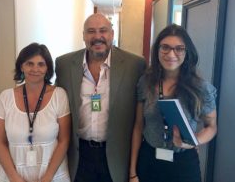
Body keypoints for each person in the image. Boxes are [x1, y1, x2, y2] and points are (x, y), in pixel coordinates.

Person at [55, 13, 147, 182]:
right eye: (91, 31)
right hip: (78, 155)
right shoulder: (64, 65)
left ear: (112, 34)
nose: (97, 37)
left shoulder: (135, 65)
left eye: (103, 31)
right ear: (83, 36)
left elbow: (142, 115)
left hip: (116, 155)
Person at [129, 24, 217, 182]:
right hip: (149, 160)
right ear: (157, 50)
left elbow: (211, 127)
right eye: (165, 47)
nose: (171, 54)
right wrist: (132, 172)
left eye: (179, 48)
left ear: (187, 52)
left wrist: (194, 141)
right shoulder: (145, 82)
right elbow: (138, 126)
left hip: (183, 164)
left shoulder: (201, 88)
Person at [0, 43, 71, 182]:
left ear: (47, 68)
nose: (35, 69)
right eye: (30, 63)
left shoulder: (59, 96)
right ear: (21, 66)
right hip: (13, 175)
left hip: (52, 175)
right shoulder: (5, 98)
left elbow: (64, 140)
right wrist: (15, 178)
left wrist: (47, 177)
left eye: (41, 64)